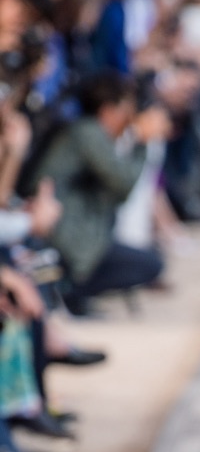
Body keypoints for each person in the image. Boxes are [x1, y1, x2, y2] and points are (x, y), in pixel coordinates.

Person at [32, 68, 168, 313]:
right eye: (126, 109)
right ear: (107, 110)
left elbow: (118, 193)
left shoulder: (88, 132)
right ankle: (73, 289)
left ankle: (74, 289)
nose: (130, 117)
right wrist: (142, 141)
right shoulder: (87, 133)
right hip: (68, 242)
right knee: (150, 264)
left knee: (151, 261)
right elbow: (124, 183)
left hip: (75, 236)